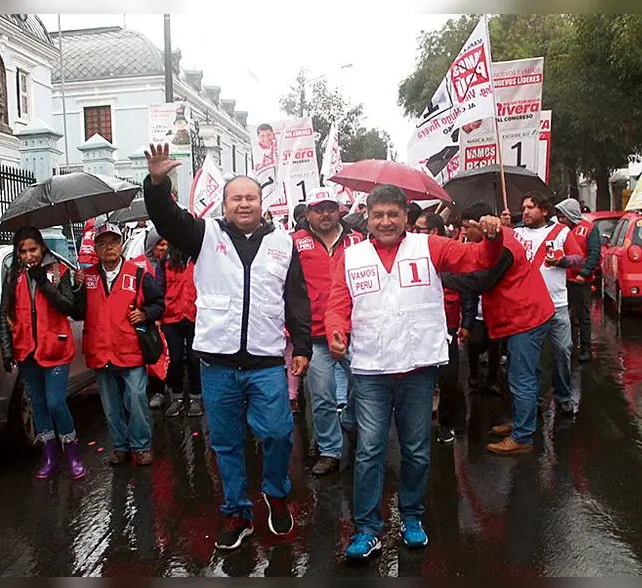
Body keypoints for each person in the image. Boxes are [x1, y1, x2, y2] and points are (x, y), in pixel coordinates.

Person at [143, 143, 311, 550]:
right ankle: (237, 514)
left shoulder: (282, 243)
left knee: (277, 434)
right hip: (217, 365)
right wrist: (157, 182)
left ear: (260, 202)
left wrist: (302, 344)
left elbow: (297, 299)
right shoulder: (205, 235)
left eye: (250, 197)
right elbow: (167, 219)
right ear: (224, 203)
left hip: (267, 362)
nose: (244, 203)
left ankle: (274, 491)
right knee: (226, 444)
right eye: (236, 197)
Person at [325, 185, 503, 561]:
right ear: (367, 218)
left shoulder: (430, 246)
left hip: (417, 367)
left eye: (393, 214)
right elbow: (338, 304)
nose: (386, 221)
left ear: (406, 215)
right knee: (370, 451)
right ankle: (368, 529)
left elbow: (477, 259)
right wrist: (336, 330)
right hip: (371, 369)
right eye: (378, 215)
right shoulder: (351, 256)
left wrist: (493, 236)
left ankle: (411, 517)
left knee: (417, 451)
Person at [457, 202, 555, 456]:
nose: (464, 233)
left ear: (483, 224)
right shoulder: (497, 241)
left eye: (468, 227)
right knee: (524, 373)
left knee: (521, 376)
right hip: (525, 314)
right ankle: (524, 422)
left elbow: (481, 281)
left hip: (525, 317)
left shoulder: (504, 246)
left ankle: (523, 436)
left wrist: (441, 275)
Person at [74, 222, 164, 466]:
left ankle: (141, 446)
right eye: (102, 244)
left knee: (135, 398)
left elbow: (159, 304)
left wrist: (145, 314)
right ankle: (120, 447)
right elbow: (76, 309)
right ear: (96, 249)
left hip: (130, 349)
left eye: (113, 242)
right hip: (100, 351)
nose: (108, 248)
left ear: (120, 244)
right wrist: (76, 286)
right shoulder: (88, 277)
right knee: (110, 405)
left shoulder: (138, 274)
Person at [0, 227, 86, 480]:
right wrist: (7, 351)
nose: (28, 256)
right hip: (26, 349)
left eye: (33, 249)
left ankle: (72, 455)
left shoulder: (59, 271)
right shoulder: (12, 275)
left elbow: (68, 307)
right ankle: (50, 457)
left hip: (55, 347)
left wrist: (42, 282)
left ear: (42, 248)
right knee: (38, 405)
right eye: (22, 251)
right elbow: (6, 314)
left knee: (56, 402)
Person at [292, 187, 365, 476]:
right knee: (321, 396)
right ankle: (329, 450)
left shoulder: (358, 240)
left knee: (364, 387)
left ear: (339, 210)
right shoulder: (294, 243)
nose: (324, 214)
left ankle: (350, 419)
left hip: (354, 332)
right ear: (308, 212)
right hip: (316, 335)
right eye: (318, 209)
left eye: (330, 208)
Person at [512, 192, 584, 416]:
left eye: (530, 207)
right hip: (528, 306)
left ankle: (563, 395)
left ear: (544, 210)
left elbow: (578, 258)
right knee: (530, 356)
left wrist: (561, 261)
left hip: (557, 305)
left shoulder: (561, 231)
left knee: (563, 350)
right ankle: (533, 398)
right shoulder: (516, 233)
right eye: (523, 208)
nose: (525, 212)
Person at [414, 212, 466, 442]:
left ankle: (450, 422)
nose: (413, 233)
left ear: (433, 233)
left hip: (449, 325)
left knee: (449, 377)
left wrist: (469, 321)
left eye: (419, 229)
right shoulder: (412, 255)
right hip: (421, 326)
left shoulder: (450, 254)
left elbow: (469, 288)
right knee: (423, 377)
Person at [156, 244, 202, 418]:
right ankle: (176, 397)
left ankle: (196, 397)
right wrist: (158, 315)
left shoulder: (198, 257)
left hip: (195, 316)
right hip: (171, 317)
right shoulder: (165, 261)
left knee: (194, 358)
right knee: (174, 359)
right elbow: (158, 288)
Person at [555, 198, 601, 363]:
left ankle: (586, 349)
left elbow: (594, 254)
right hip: (564, 279)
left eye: (563, 217)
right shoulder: (560, 231)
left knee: (583, 316)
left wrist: (584, 273)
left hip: (582, 281)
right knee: (567, 316)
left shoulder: (589, 229)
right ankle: (570, 346)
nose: (561, 220)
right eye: (559, 217)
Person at [132, 228, 170, 409]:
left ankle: (164, 388)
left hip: (168, 318)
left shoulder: (172, 263)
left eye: (166, 244)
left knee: (165, 356)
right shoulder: (138, 266)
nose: (164, 248)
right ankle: (155, 390)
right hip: (146, 320)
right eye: (160, 244)